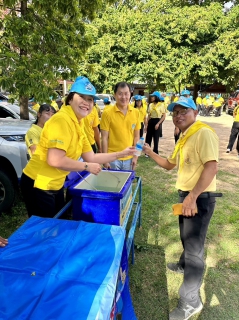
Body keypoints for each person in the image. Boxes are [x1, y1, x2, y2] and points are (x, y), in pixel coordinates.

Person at [143, 96, 219, 320]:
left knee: (195, 249)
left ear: (195, 112)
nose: (178, 115)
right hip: (187, 196)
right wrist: (149, 152)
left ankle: (190, 301)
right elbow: (169, 164)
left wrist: (193, 197)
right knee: (186, 239)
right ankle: (183, 265)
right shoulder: (185, 136)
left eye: (183, 111)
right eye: (175, 112)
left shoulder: (203, 132)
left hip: (199, 198)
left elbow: (212, 167)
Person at [20, 76, 136, 218]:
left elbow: (91, 156)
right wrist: (86, 166)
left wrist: (120, 154)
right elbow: (55, 160)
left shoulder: (78, 123)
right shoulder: (61, 120)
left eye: (90, 99)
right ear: (70, 99)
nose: (86, 103)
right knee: (45, 232)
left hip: (54, 184)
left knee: (59, 223)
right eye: (81, 97)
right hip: (38, 183)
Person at [100, 82, 140, 171]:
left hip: (129, 158)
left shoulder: (136, 113)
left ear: (130, 94)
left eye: (126, 93)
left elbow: (137, 136)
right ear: (115, 95)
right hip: (112, 158)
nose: (124, 97)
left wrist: (135, 156)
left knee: (127, 184)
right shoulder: (107, 113)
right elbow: (104, 138)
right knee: (113, 184)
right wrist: (105, 159)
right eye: (120, 94)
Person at [145, 91, 166, 156]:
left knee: (156, 137)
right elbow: (149, 115)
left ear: (156, 97)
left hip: (157, 121)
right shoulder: (150, 105)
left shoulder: (161, 105)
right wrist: (146, 124)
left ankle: (155, 152)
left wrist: (158, 124)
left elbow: (164, 116)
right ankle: (147, 152)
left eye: (153, 96)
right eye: (151, 96)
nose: (151, 97)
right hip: (151, 121)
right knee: (148, 137)